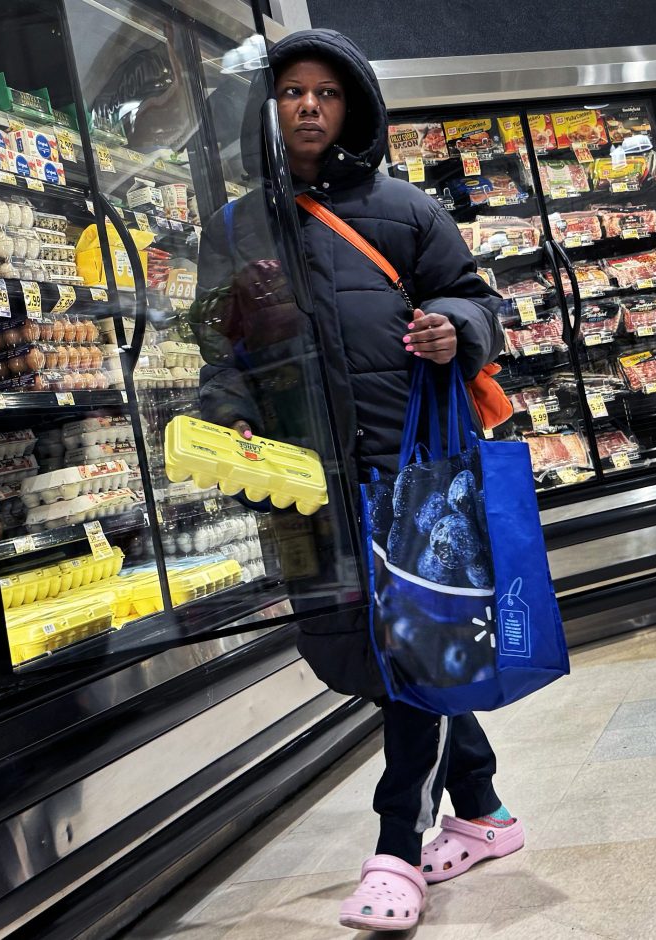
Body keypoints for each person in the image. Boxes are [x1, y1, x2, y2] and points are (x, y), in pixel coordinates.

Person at [191, 28, 519, 932]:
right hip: (303, 484)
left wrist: (457, 328)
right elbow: (217, 348)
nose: (307, 106)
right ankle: (485, 811)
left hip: (413, 473)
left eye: (326, 94)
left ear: (354, 108)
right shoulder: (231, 229)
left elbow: (481, 300)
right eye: (292, 91)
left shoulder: (406, 211)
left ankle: (396, 852)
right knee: (381, 658)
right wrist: (228, 414)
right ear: (269, 108)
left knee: (422, 655)